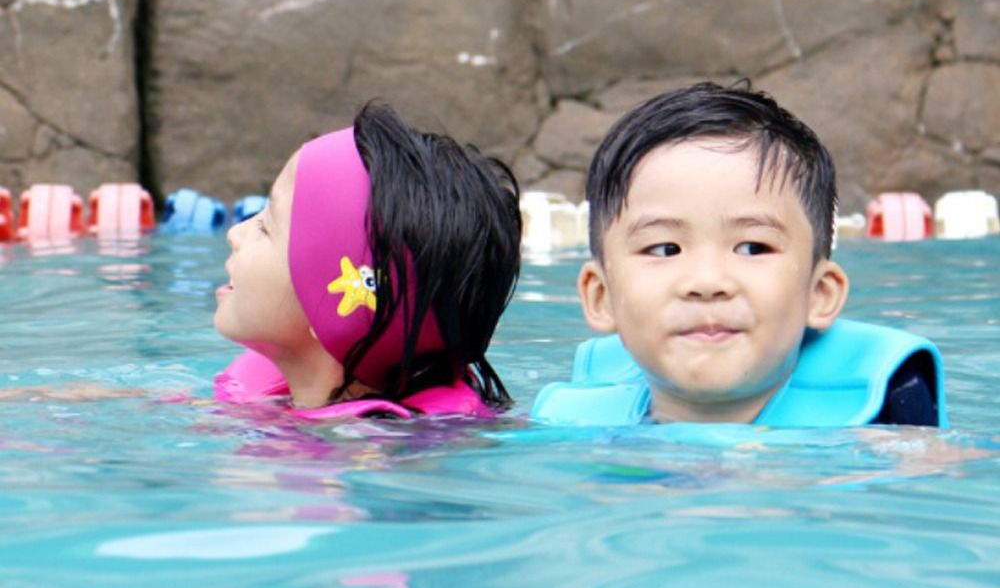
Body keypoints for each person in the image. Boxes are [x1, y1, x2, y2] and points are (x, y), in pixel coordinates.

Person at [531, 82, 947, 428]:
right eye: (664, 249)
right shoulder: (572, 427)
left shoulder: (888, 419)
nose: (708, 282)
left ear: (820, 294)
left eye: (752, 247)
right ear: (600, 297)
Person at [214, 101, 521, 420]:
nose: (235, 233)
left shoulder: (366, 453)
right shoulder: (271, 403)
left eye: (265, 227)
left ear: (331, 312)